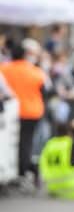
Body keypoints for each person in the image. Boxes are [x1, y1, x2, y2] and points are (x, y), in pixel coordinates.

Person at [0, 41, 47, 186]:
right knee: (26, 143)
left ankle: (18, 171)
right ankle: (24, 170)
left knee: (11, 144)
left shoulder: (5, 69)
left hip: (12, 111)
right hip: (32, 111)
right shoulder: (34, 70)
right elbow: (45, 88)